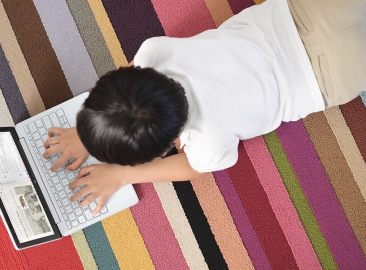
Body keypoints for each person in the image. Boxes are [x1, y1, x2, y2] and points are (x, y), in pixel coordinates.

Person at [43, 0, 366, 215]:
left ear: (169, 146)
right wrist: (86, 131)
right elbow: (126, 80)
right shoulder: (153, 53)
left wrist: (123, 174)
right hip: (305, 12)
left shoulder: (209, 142)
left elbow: (192, 168)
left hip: (327, 75)